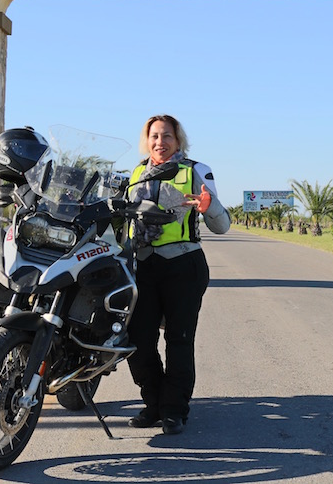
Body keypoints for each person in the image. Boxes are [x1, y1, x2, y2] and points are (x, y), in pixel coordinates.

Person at [123, 114, 230, 435]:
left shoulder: (194, 170)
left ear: (178, 139)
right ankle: (153, 403)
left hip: (183, 266)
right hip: (143, 267)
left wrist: (208, 205)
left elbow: (221, 225)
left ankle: (174, 411)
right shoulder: (137, 172)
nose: (160, 142)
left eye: (167, 136)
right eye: (154, 136)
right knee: (138, 341)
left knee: (179, 341)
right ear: (147, 140)